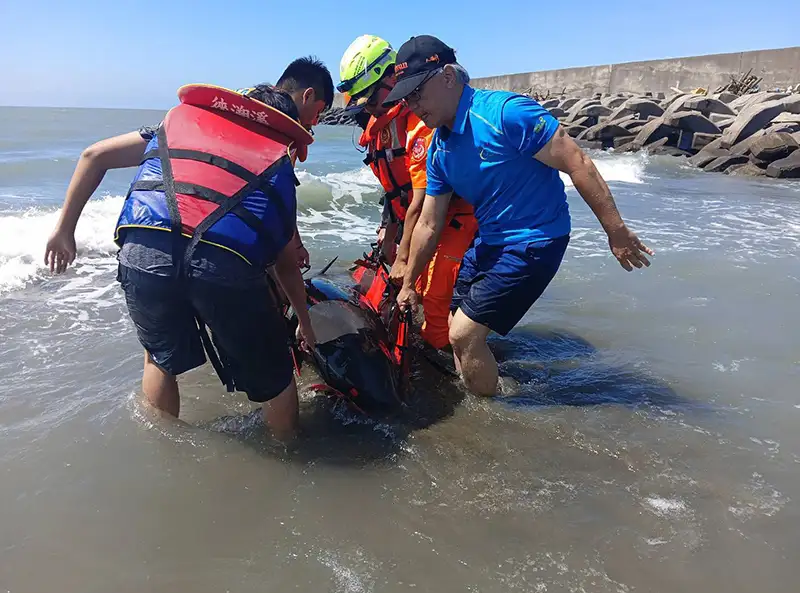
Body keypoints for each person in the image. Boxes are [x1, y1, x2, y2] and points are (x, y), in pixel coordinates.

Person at [44, 58, 335, 438]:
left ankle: (166, 454)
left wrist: (64, 231)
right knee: (277, 378)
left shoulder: (182, 123)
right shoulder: (277, 150)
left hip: (143, 252)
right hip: (220, 263)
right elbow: (282, 260)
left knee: (159, 360)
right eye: (318, 113)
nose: (313, 123)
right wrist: (306, 324)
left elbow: (93, 156)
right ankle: (290, 460)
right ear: (307, 96)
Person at [384, 36, 654, 396]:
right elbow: (430, 223)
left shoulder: (505, 114)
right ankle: (489, 385)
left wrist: (615, 231)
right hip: (490, 242)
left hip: (537, 239)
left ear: (448, 77)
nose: (412, 106)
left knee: (463, 333)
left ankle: (490, 415)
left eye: (416, 92)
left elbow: (577, 161)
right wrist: (408, 286)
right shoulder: (440, 149)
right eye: (405, 98)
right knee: (453, 323)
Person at [336, 35, 478, 351]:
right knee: (415, 302)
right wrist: (389, 234)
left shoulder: (421, 123)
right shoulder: (378, 128)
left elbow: (423, 198)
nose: (367, 108)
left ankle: (467, 377)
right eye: (362, 101)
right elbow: (394, 192)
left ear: (391, 79)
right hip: (417, 225)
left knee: (436, 314)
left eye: (371, 99)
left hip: (451, 221)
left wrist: (404, 258)